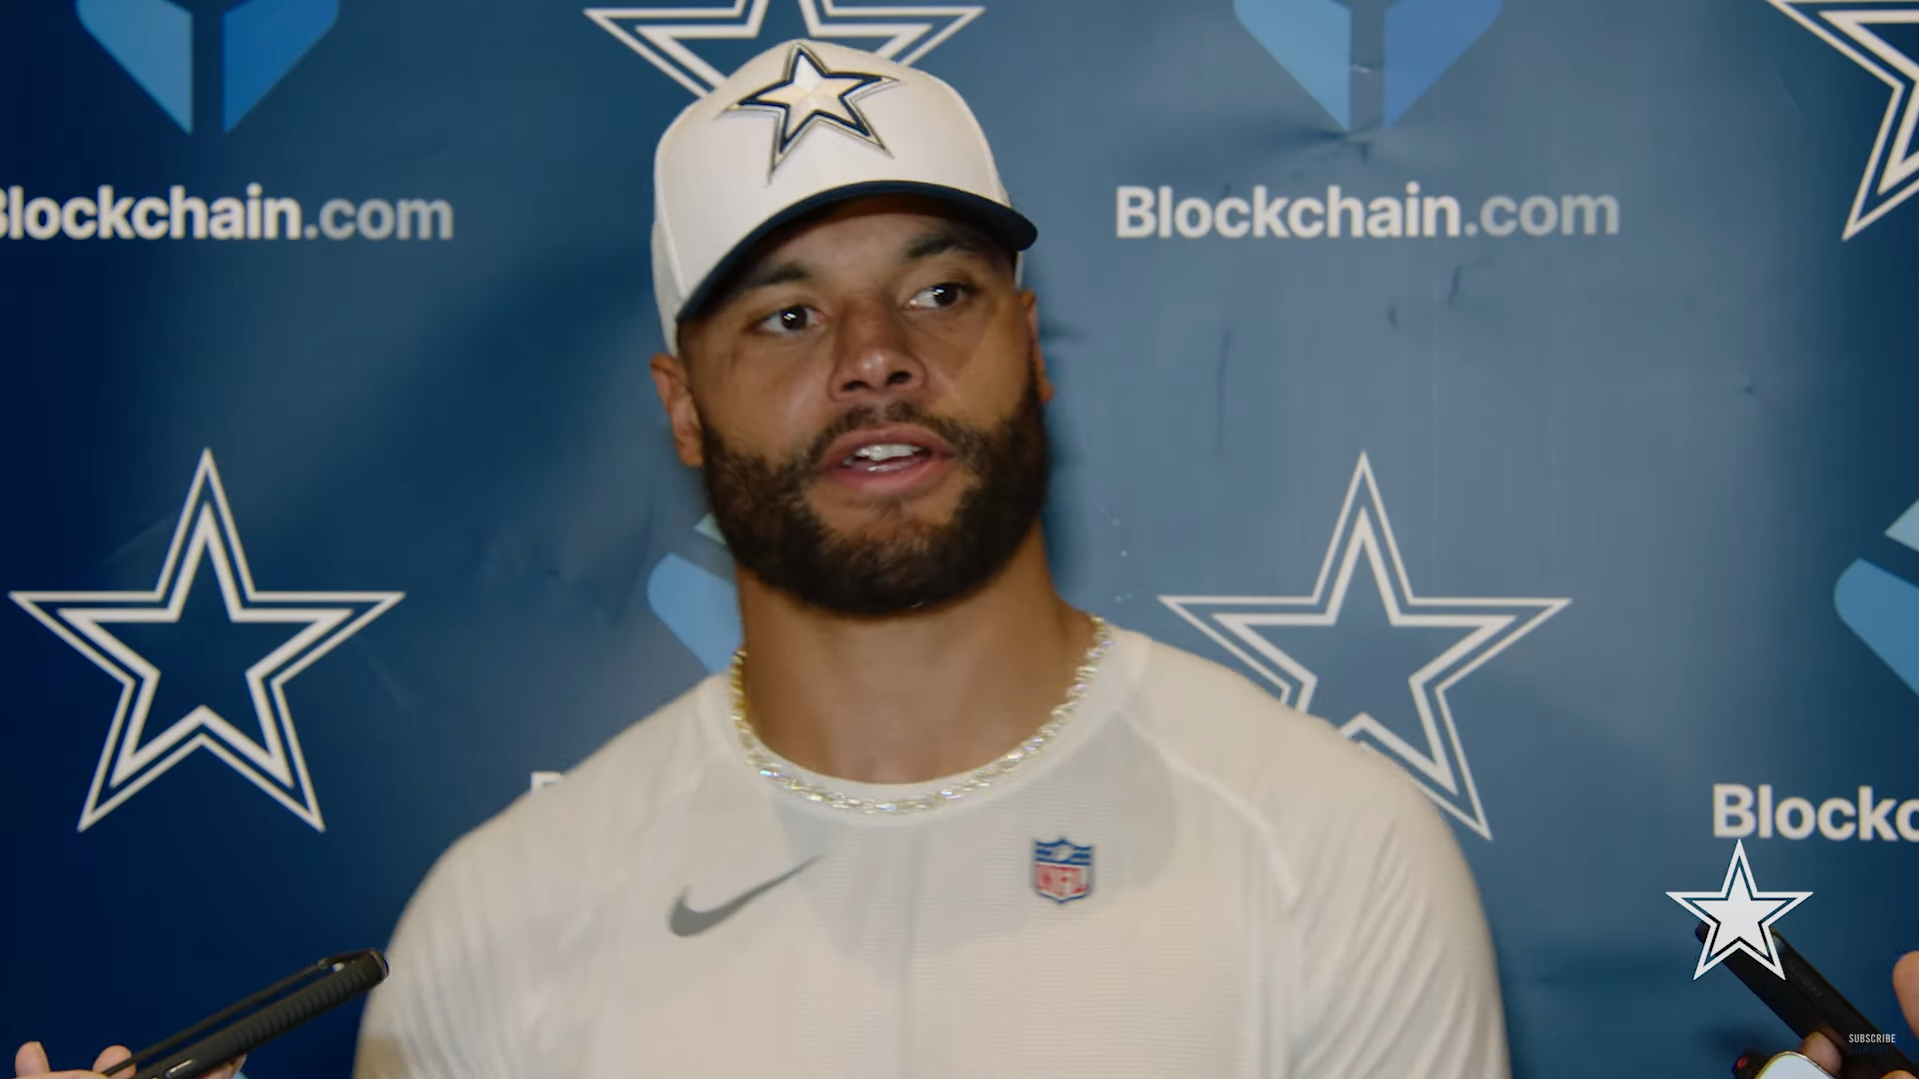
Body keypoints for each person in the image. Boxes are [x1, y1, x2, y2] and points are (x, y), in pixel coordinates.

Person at [16, 37, 1517, 1078]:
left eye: (939, 289)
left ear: (1030, 348)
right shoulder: (497, 924)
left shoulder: (1329, 853)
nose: (876, 359)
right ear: (679, 405)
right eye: (786, 316)